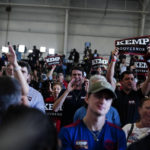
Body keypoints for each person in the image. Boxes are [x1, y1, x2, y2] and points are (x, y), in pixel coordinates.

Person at [59, 78, 126, 150]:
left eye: (107, 98)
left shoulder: (118, 134)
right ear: (87, 98)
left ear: (111, 103)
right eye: (98, 96)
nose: (103, 101)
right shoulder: (67, 133)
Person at [106, 48, 150, 126]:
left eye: (132, 79)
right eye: (127, 79)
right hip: (118, 131)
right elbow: (109, 78)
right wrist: (113, 60)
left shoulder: (138, 94)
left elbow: (149, 80)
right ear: (121, 82)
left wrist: (148, 59)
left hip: (135, 133)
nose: (130, 81)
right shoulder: (116, 93)